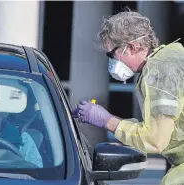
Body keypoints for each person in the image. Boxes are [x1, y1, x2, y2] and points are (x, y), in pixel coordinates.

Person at [72, 10, 184, 185]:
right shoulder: (171, 59)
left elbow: (156, 140)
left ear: (132, 47)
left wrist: (108, 121)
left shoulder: (160, 72)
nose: (111, 61)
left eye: (112, 54)